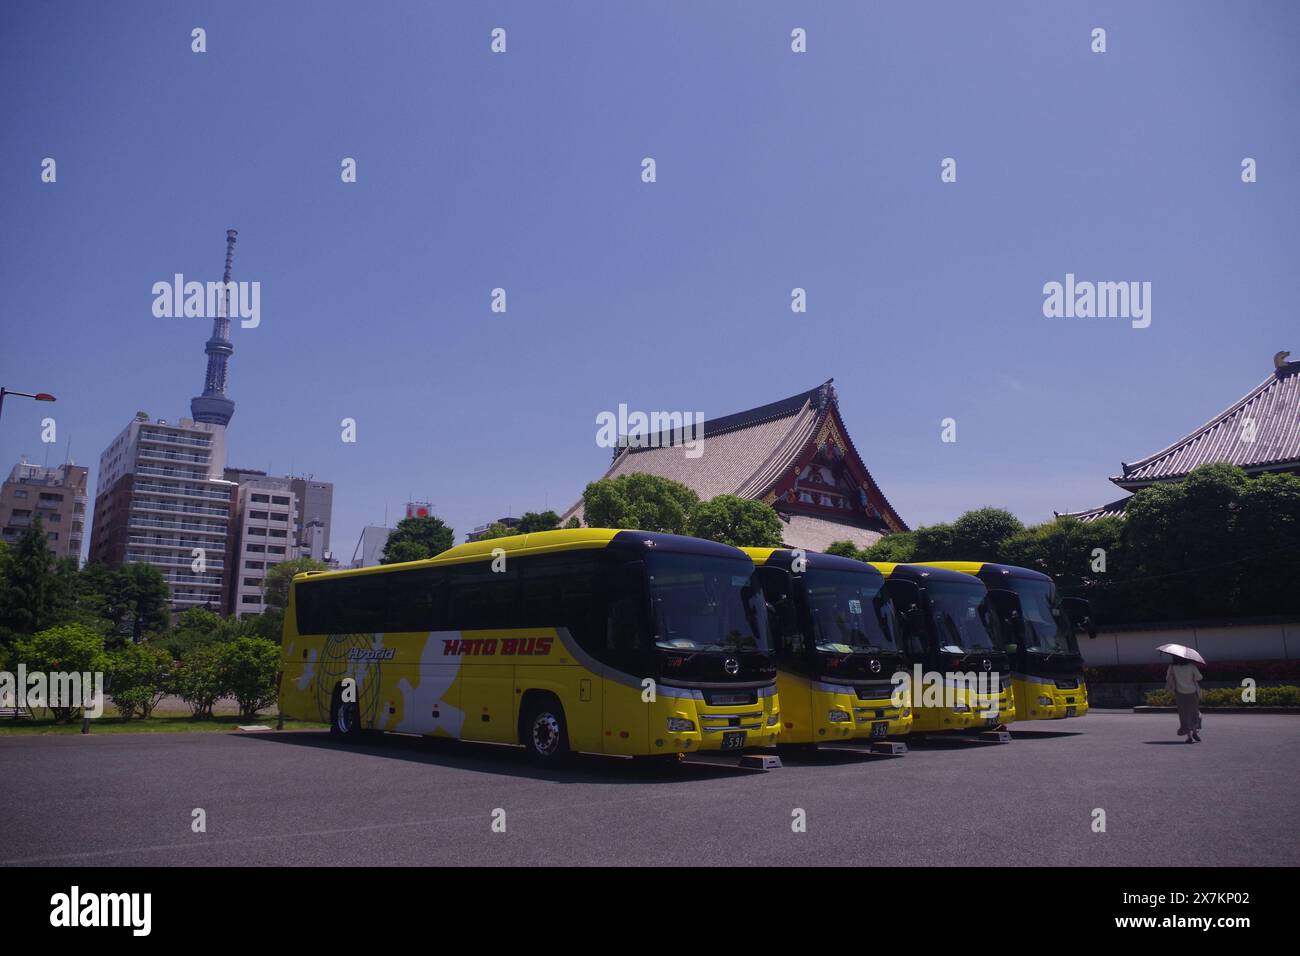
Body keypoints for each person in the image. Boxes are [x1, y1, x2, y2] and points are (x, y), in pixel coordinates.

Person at [1165, 658, 1203, 743]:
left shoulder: (1172, 667)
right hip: (1192, 692)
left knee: (1184, 714)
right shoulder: (1191, 666)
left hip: (1180, 693)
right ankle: (1194, 731)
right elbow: (1199, 677)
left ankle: (1189, 736)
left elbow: (1168, 678)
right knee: (1194, 712)